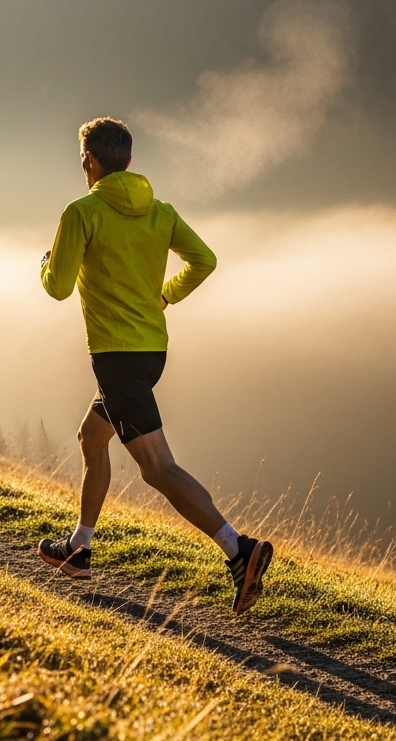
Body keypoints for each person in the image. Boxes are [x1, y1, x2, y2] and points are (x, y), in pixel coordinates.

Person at [37, 117, 273, 614]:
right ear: (128, 161)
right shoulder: (159, 211)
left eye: (82, 159)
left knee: (157, 469)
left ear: (89, 161)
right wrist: (166, 295)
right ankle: (79, 547)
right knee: (91, 436)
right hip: (151, 353)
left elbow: (57, 287)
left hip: (116, 362)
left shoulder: (82, 212)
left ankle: (239, 550)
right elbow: (203, 259)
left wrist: (45, 263)